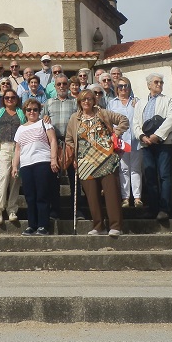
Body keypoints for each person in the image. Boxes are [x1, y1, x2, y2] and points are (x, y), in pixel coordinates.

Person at [65, 89, 128, 237]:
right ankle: (98, 226)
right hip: (85, 161)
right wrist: (73, 156)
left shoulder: (103, 113)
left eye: (89, 99)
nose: (86, 102)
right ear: (79, 102)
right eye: (83, 99)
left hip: (106, 158)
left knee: (111, 193)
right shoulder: (75, 118)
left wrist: (116, 134)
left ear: (94, 100)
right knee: (92, 196)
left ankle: (115, 226)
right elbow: (69, 139)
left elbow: (123, 120)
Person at [132, 73, 172, 221]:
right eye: (156, 82)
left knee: (164, 176)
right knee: (150, 177)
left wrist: (157, 135)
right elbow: (135, 123)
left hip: (162, 143)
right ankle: (152, 209)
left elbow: (171, 119)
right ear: (149, 85)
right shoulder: (140, 103)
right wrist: (142, 136)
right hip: (146, 144)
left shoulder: (168, 101)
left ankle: (164, 209)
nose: (159, 84)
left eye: (161, 82)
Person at [12, 98, 58, 235]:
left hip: (42, 162)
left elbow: (53, 140)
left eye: (35, 109)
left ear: (39, 111)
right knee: (30, 196)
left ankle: (43, 225)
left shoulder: (45, 123)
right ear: (25, 112)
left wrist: (53, 159)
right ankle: (32, 224)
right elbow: (18, 149)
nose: (32, 112)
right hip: (26, 164)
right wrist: (15, 166)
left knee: (42, 195)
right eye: (29, 110)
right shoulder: (20, 128)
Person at [0, 89, 26, 225]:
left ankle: (12, 209)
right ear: (3, 100)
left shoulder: (22, 114)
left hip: (19, 148)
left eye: (12, 97)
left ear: (17, 99)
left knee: (15, 178)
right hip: (2, 147)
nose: (10, 99)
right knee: (4, 176)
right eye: (7, 98)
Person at [42, 74, 78, 213]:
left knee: (74, 179)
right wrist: (44, 119)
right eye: (59, 84)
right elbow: (42, 123)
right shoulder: (49, 102)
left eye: (64, 84)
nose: (62, 86)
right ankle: (55, 209)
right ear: (55, 86)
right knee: (53, 179)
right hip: (54, 144)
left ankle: (77, 209)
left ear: (68, 85)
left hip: (70, 143)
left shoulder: (75, 102)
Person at [108, 77, 142, 209]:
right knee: (123, 170)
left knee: (136, 170)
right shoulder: (112, 103)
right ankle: (125, 198)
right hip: (120, 141)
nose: (123, 89)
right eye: (121, 86)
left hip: (135, 140)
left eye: (126, 86)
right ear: (117, 89)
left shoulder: (136, 102)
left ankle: (137, 198)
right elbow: (109, 121)